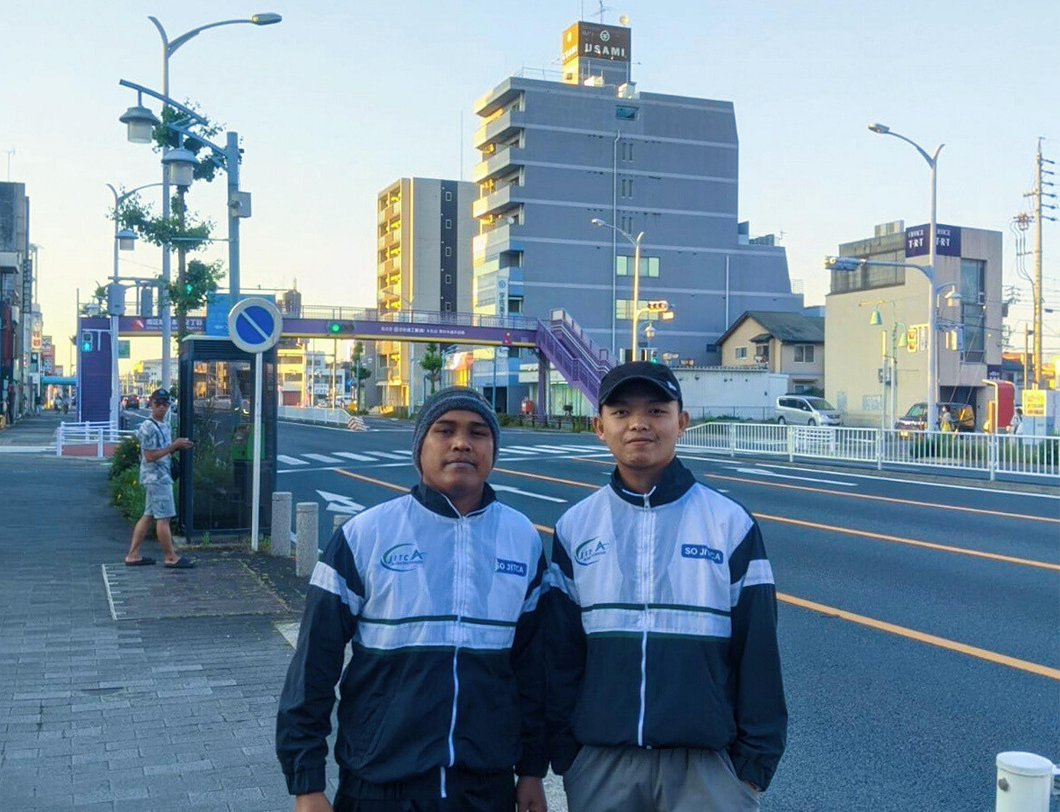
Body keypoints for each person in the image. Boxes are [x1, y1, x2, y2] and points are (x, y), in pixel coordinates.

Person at [277, 386, 548, 812]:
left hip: (486, 786)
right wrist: (306, 783)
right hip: (379, 784)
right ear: (420, 446)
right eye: (445, 430)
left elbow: (534, 669)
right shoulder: (364, 536)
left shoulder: (523, 539)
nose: (462, 443)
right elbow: (313, 666)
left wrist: (532, 769)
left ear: (493, 450)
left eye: (478, 432)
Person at [546, 362, 787, 812]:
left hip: (707, 769)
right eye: (621, 412)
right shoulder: (575, 527)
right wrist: (567, 754)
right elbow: (559, 656)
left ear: (682, 422)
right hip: (601, 766)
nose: (639, 423)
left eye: (656, 411)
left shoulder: (729, 524)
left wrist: (752, 767)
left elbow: (758, 650)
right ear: (599, 427)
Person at [123, 389, 195, 569]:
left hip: (161, 476)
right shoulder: (148, 427)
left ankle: (133, 555)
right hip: (157, 478)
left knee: (148, 515)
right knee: (164, 517)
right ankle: (170, 557)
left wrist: (177, 446)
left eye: (165, 403)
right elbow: (149, 456)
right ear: (151, 403)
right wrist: (173, 446)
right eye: (158, 403)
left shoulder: (164, 425)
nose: (162, 407)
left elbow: (163, 449)